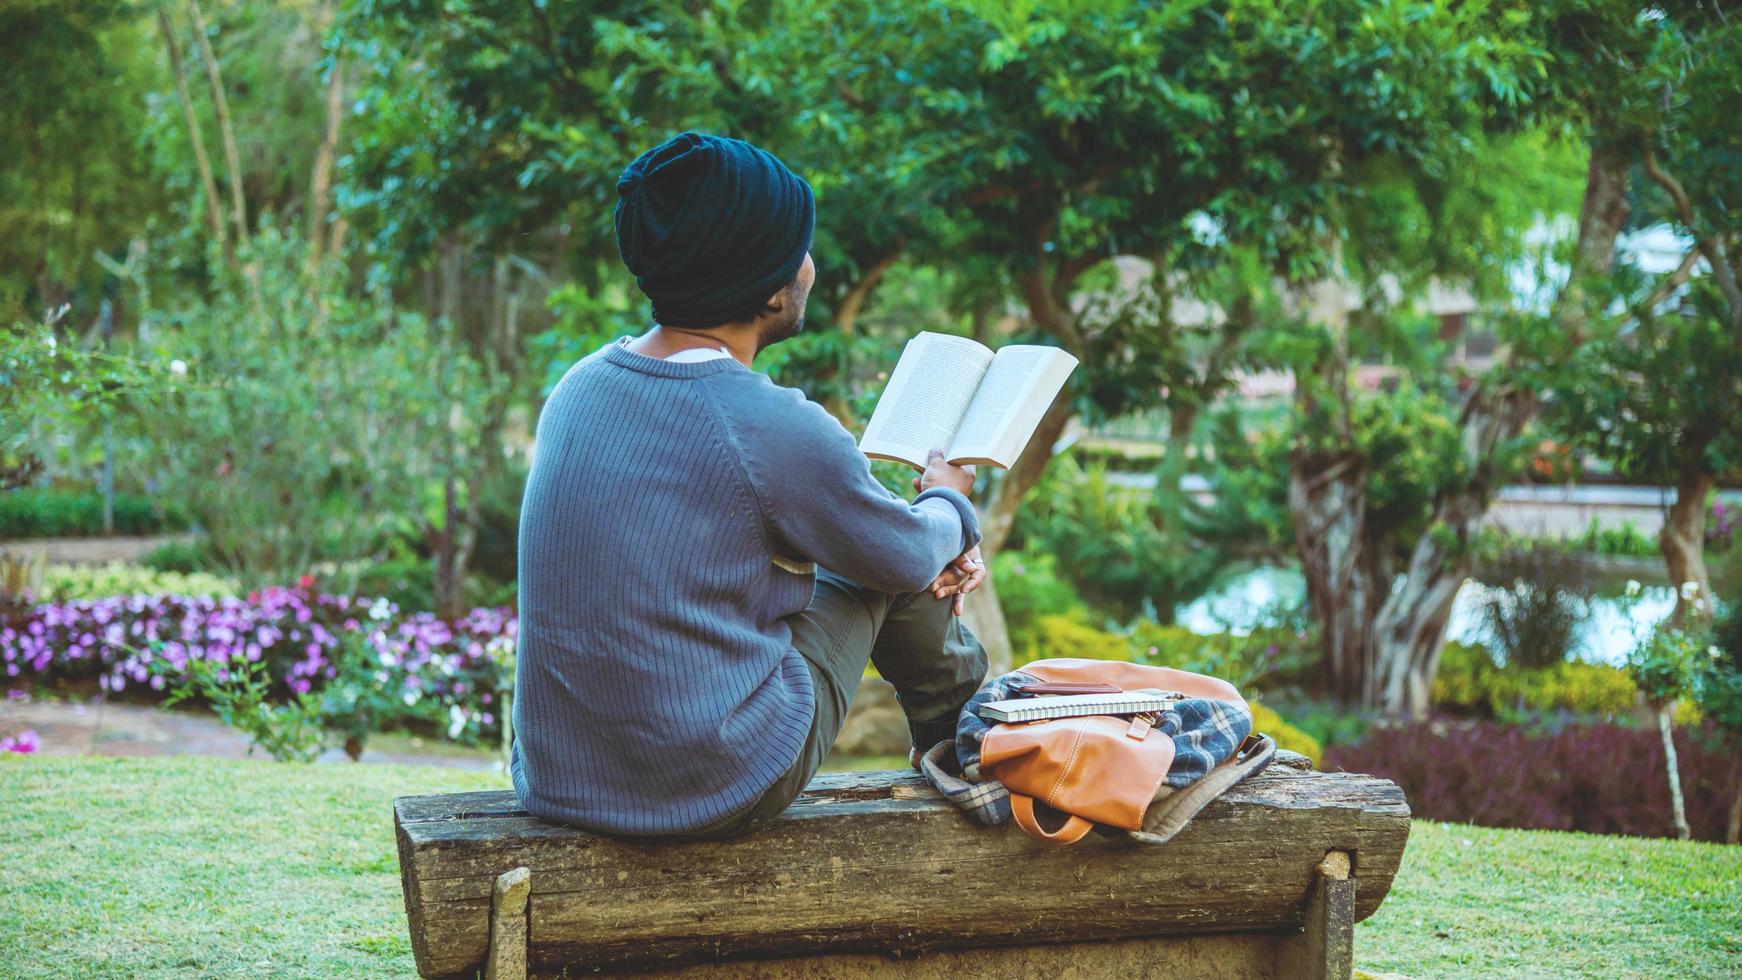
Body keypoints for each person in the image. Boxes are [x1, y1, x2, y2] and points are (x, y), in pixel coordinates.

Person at [510, 131, 989, 839]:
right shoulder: (768, 422)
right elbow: (904, 558)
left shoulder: (580, 387)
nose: (810, 267)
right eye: (800, 249)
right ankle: (967, 744)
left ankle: (959, 736)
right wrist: (948, 501)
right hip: (715, 783)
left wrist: (915, 534)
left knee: (885, 538)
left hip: (560, 778)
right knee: (896, 554)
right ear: (770, 289)